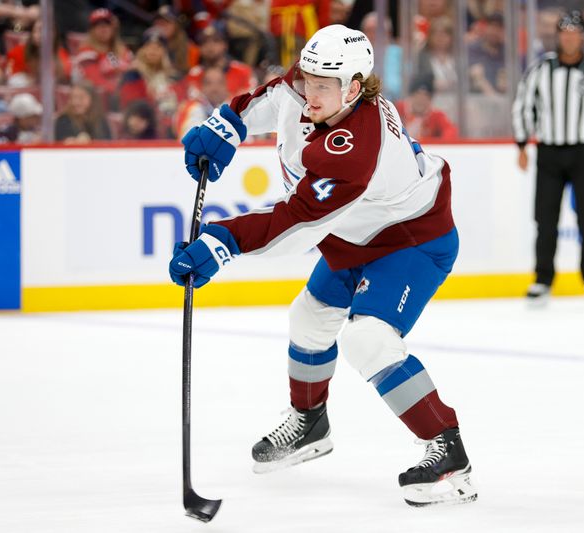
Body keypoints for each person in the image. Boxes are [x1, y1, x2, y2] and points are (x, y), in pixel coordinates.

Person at [169, 24, 477, 507]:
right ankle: (311, 423)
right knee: (308, 321)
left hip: (410, 243)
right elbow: (276, 96)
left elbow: (295, 224)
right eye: (308, 79)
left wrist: (223, 240)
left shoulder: (355, 147)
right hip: (354, 236)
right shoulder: (317, 85)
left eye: (321, 86)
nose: (308, 92)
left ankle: (448, 449)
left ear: (354, 88)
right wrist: (228, 124)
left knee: (368, 338)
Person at [511, 11, 584, 306]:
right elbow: (523, 104)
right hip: (549, 152)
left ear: (583, 35)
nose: (569, 37)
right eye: (564, 32)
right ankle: (543, 278)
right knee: (545, 219)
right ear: (558, 35)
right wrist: (522, 144)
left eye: (575, 32)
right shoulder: (541, 69)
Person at [395, 75, 459, 139]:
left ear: (430, 100)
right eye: (417, 96)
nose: (420, 101)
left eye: (425, 98)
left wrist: (437, 144)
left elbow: (450, 130)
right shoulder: (398, 109)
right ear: (411, 96)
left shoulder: (436, 115)